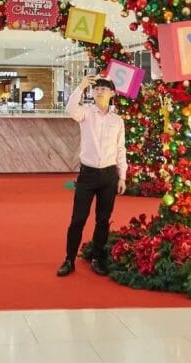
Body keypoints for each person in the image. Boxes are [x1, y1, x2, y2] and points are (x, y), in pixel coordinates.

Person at [57, 75, 126, 278]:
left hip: (109, 175)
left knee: (103, 220)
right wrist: (81, 86)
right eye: (96, 89)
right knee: (78, 219)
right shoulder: (85, 113)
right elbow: (70, 109)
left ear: (112, 93)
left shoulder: (117, 120)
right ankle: (69, 260)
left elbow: (120, 148)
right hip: (87, 175)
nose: (99, 92)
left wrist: (122, 176)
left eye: (104, 89)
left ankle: (97, 259)